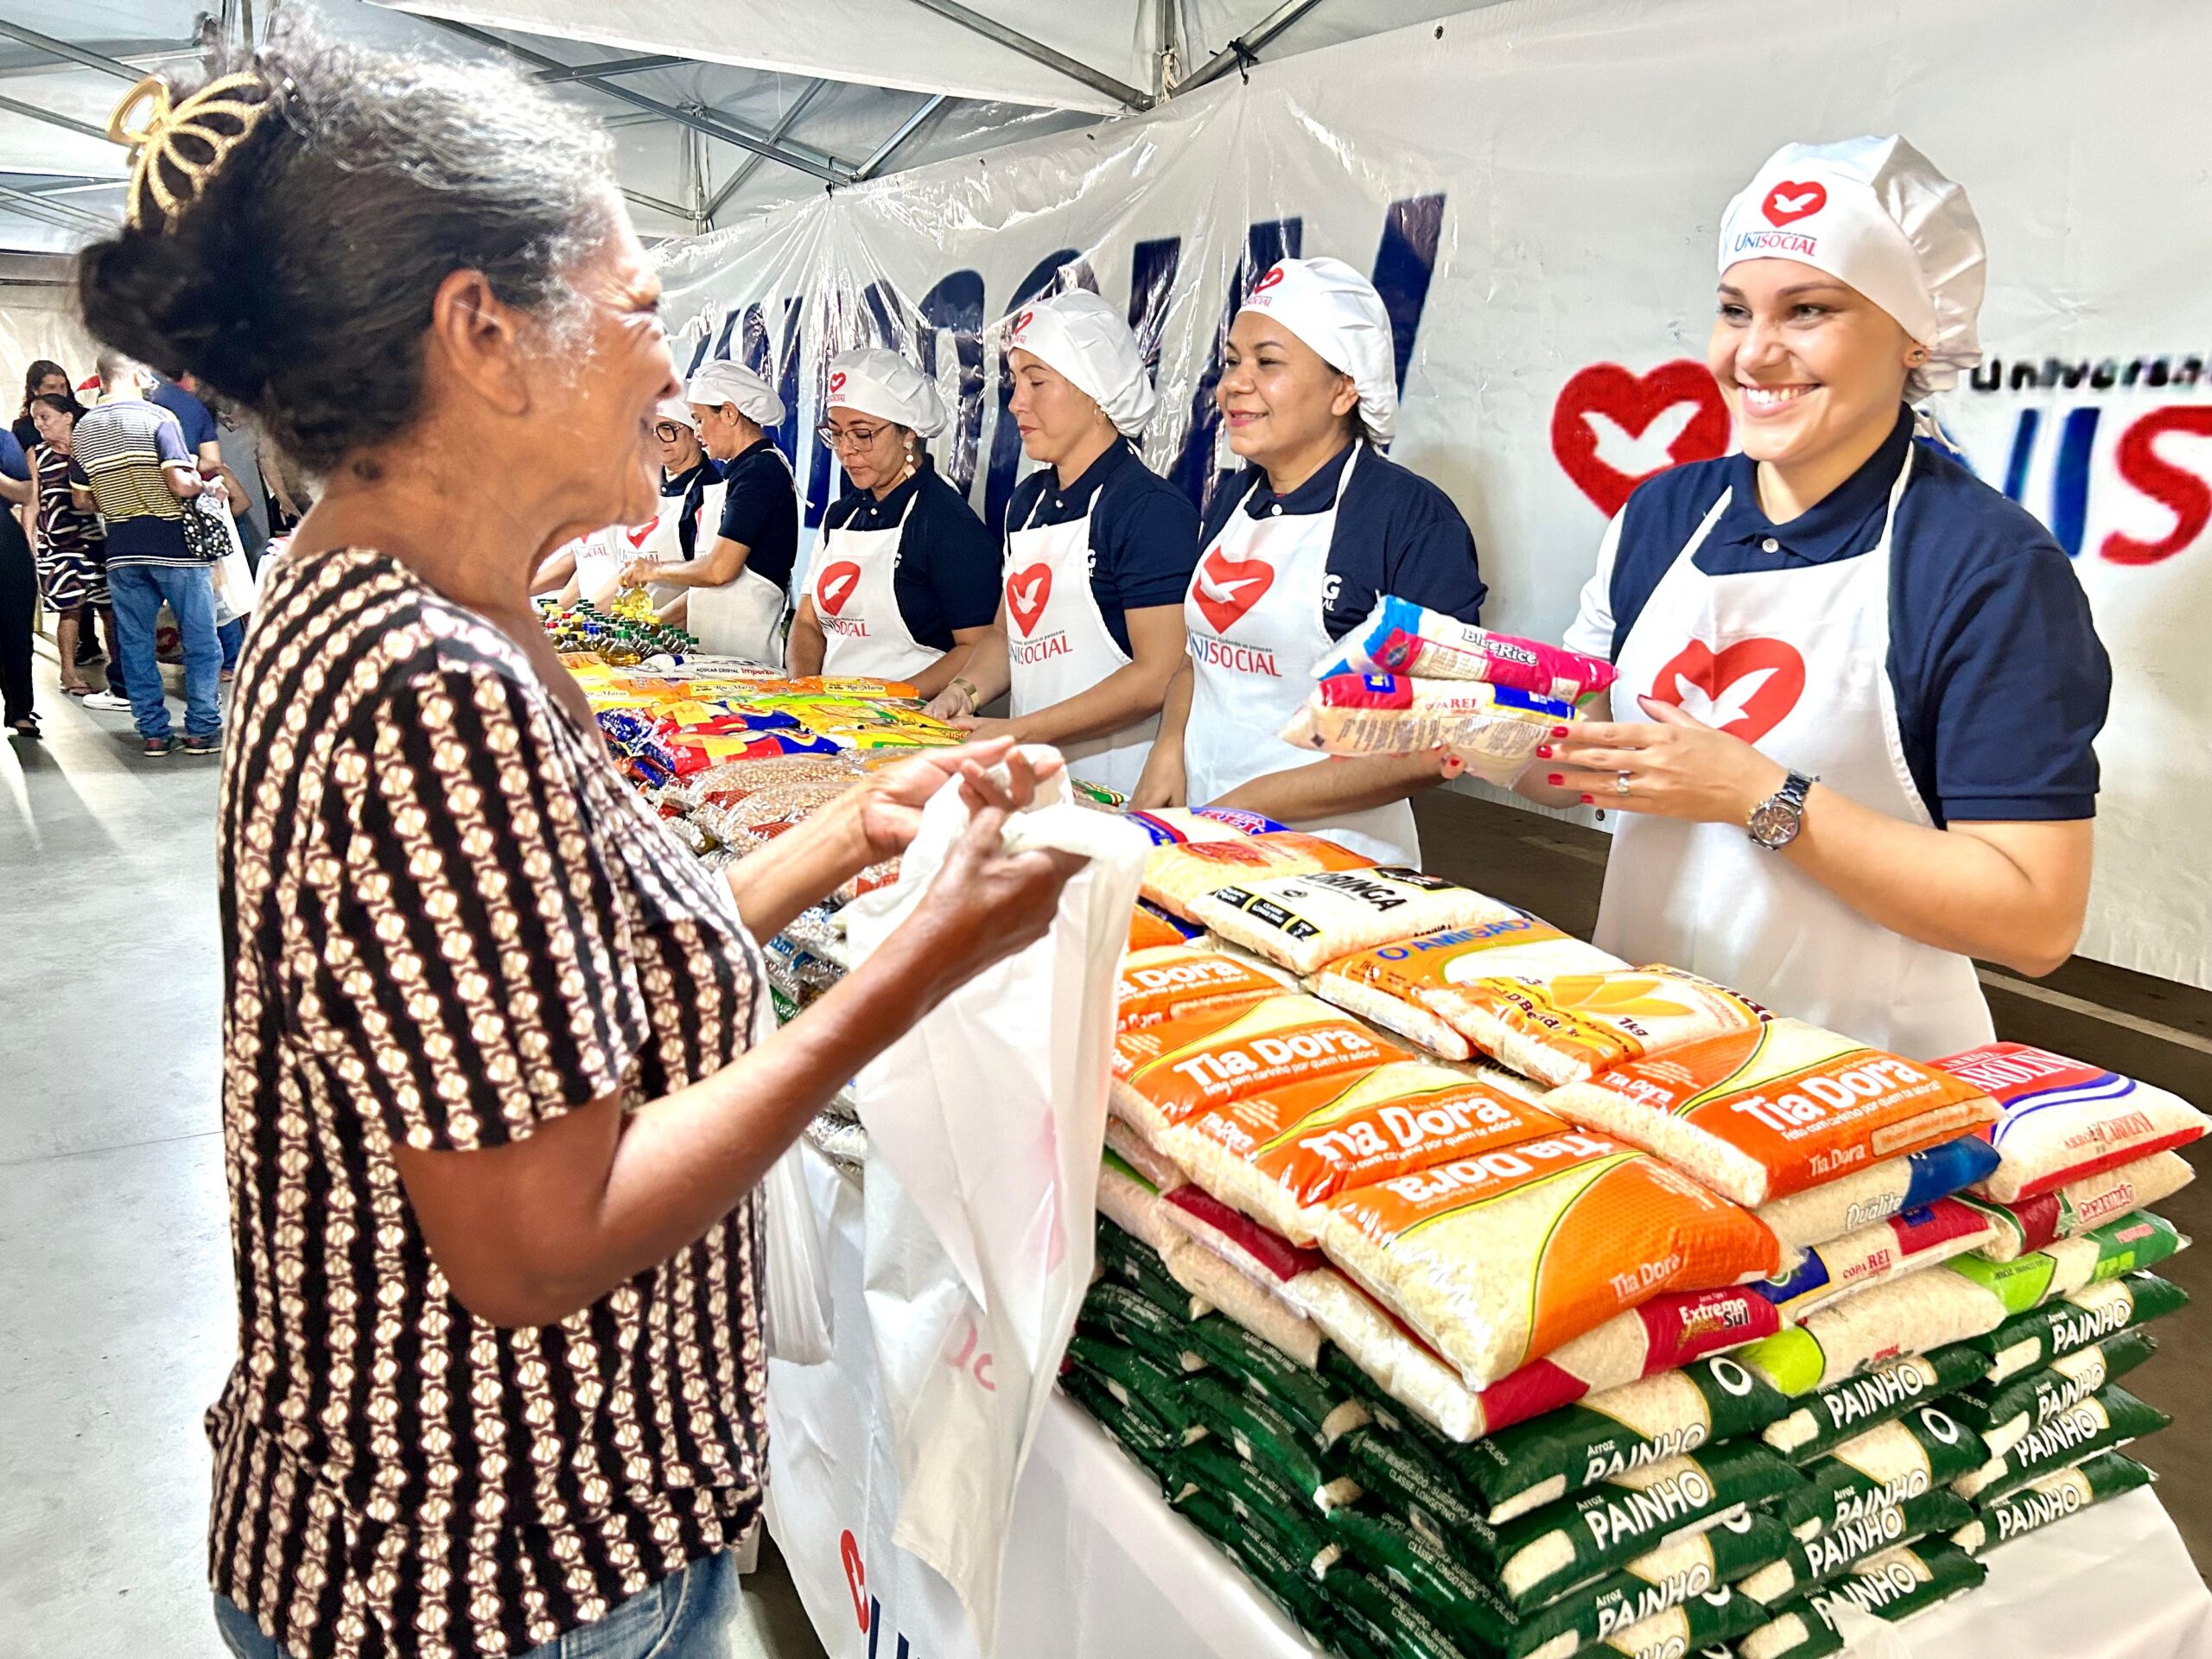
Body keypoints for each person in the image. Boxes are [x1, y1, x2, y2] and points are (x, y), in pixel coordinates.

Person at [75, 21, 1085, 1659]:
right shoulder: (423, 683)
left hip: (533, 1539)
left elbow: (562, 997)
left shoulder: (428, 602)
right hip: (489, 1572)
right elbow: (539, 1241)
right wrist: (915, 965)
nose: (672, 374)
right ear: (481, 332)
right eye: (638, 313)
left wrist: (840, 841)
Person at [1528, 137, 2110, 1059]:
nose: (1753, 354)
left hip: (1865, 1082)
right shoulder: (1661, 516)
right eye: (1732, 310)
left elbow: (2034, 920)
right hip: (1639, 1046)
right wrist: (1468, 728)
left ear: (1915, 333)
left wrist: (1758, 793)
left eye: (1808, 310)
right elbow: (1576, 764)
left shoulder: (1983, 564)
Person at [1135, 257, 1486, 864]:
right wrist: (1169, 746)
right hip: (1204, 830)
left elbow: (1433, 743)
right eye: (1232, 361)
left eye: (1267, 362)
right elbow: (1200, 660)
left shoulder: (1409, 519)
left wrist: (1254, 803)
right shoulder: (1233, 500)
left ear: (1345, 388)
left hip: (1333, 855)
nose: (1234, 384)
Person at [924, 290, 1198, 797]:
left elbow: (1158, 673)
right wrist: (963, 691)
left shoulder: (1147, 510)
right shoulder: (1025, 501)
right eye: (1014, 380)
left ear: (1096, 393)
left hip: (1118, 789)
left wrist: (1019, 731)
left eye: (1037, 381)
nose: (1015, 402)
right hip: (1036, 781)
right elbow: (1008, 636)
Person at [786, 347, 998, 693]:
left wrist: (889, 700)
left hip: (911, 726)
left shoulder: (946, 522)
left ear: (908, 433)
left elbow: (978, 646)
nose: (845, 450)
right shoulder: (842, 515)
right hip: (832, 716)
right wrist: (803, 689)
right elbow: (808, 622)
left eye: (862, 433)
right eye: (836, 433)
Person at [68, 348, 223, 756]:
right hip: (176, 546)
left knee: (134, 643)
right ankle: (202, 728)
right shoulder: (158, 418)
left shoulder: (83, 429)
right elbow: (179, 482)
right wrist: (206, 487)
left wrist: (118, 496)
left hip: (122, 548)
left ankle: (153, 732)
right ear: (135, 373)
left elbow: (82, 500)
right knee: (200, 639)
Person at [620, 359, 796, 664]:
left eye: (699, 420)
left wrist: (652, 570)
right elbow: (707, 588)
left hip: (746, 661)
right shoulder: (739, 474)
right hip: (717, 656)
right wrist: (654, 624)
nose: (698, 432)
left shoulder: (760, 473)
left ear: (729, 413)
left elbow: (718, 571)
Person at [27, 394, 126, 702]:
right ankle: (68, 671)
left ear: (67, 417)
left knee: (109, 609)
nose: (39, 423)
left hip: (98, 539)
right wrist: (29, 538)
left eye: (45, 417)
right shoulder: (38, 454)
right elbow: (32, 499)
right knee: (70, 607)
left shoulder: (89, 448)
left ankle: (120, 672)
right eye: (35, 418)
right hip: (59, 542)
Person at [0, 423, 35, 735]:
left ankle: (20, 708)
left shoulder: (2, 439)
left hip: (3, 540)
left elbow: (26, 492)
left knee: (13, 625)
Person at [13, 359, 70, 451]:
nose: (60, 393)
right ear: (35, 390)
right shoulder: (23, 429)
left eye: (63, 386)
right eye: (51, 387)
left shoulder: (83, 416)